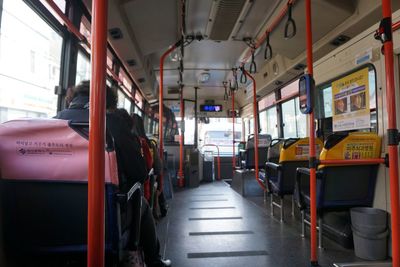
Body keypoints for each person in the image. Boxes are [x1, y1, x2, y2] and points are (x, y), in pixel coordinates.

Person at [56, 81, 171, 267]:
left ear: (71, 99)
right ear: (109, 104)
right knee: (139, 200)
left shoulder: (54, 123)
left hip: (53, 215)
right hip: (106, 215)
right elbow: (139, 173)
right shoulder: (112, 124)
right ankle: (154, 260)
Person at [132, 113, 168, 218]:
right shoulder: (149, 144)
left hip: (132, 183)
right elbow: (157, 167)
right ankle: (162, 207)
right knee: (157, 177)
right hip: (147, 180)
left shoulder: (123, 143)